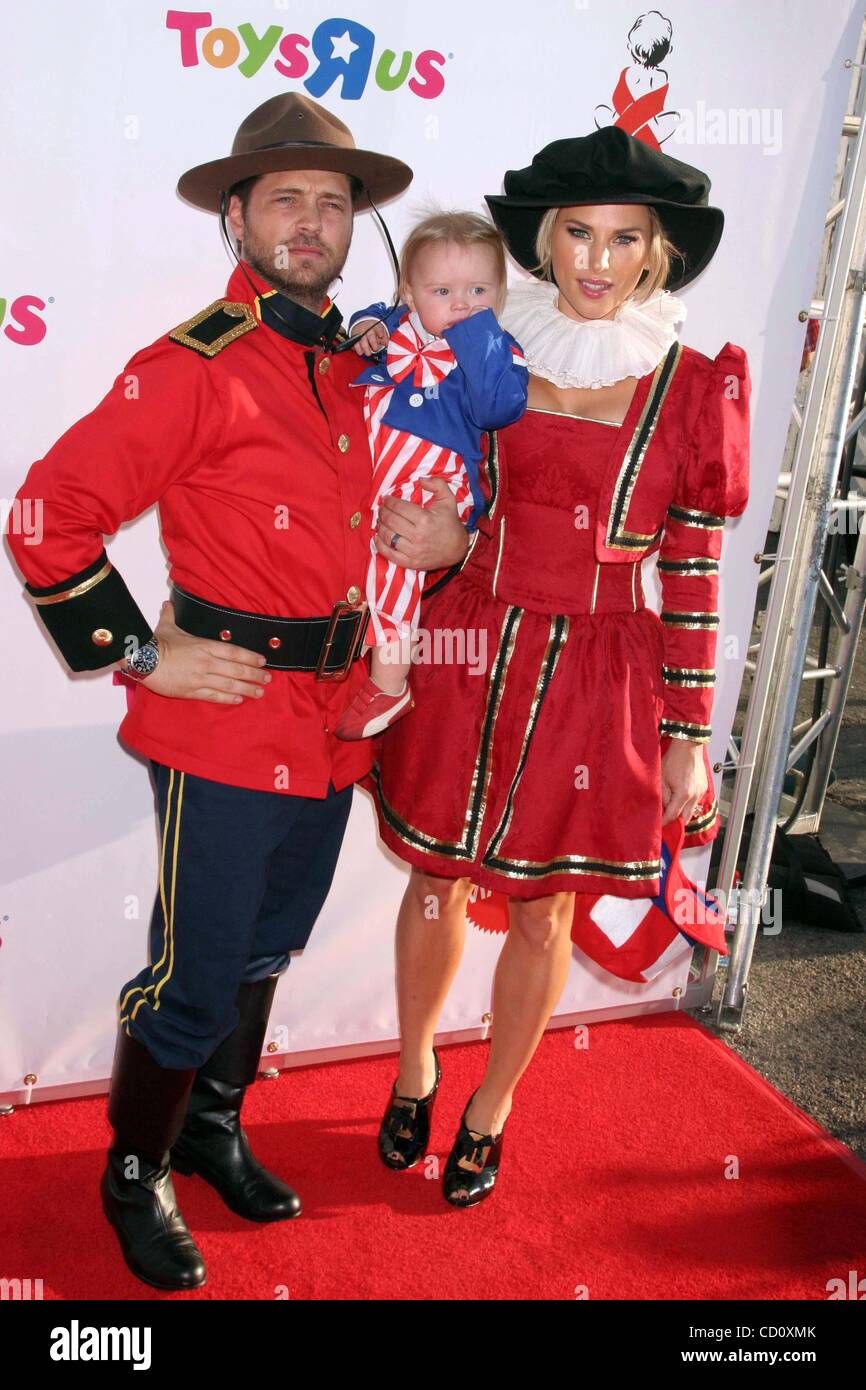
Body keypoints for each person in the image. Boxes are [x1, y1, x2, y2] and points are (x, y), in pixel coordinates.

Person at [5, 93, 471, 1290]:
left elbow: (416, 504)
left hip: (332, 713)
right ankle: (132, 1168)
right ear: (236, 220)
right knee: (194, 970)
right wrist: (142, 654)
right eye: (284, 201)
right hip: (222, 717)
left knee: (268, 948)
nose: (310, 222)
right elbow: (48, 518)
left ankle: (211, 1128)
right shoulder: (192, 364)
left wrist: (444, 545)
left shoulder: (374, 365)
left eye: (332, 202)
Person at [361, 126, 751, 1207]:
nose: (594, 257)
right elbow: (430, 471)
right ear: (543, 238)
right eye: (576, 232)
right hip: (469, 645)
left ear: (653, 252)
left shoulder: (687, 384)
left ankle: (489, 1110)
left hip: (597, 671)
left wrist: (682, 734)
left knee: (541, 910)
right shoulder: (489, 342)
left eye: (622, 238)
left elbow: (692, 574)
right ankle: (414, 1067)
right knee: (435, 874)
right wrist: (439, 543)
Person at [333, 211, 528, 740]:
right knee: (348, 553)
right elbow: (364, 320)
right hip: (373, 464)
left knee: (398, 560)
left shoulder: (499, 351)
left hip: (431, 475)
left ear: (500, 296)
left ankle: (390, 682)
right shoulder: (395, 322)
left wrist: (478, 336)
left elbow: (498, 408)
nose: (461, 302)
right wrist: (365, 329)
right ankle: (349, 654)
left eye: (479, 290)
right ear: (410, 292)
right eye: (442, 290)